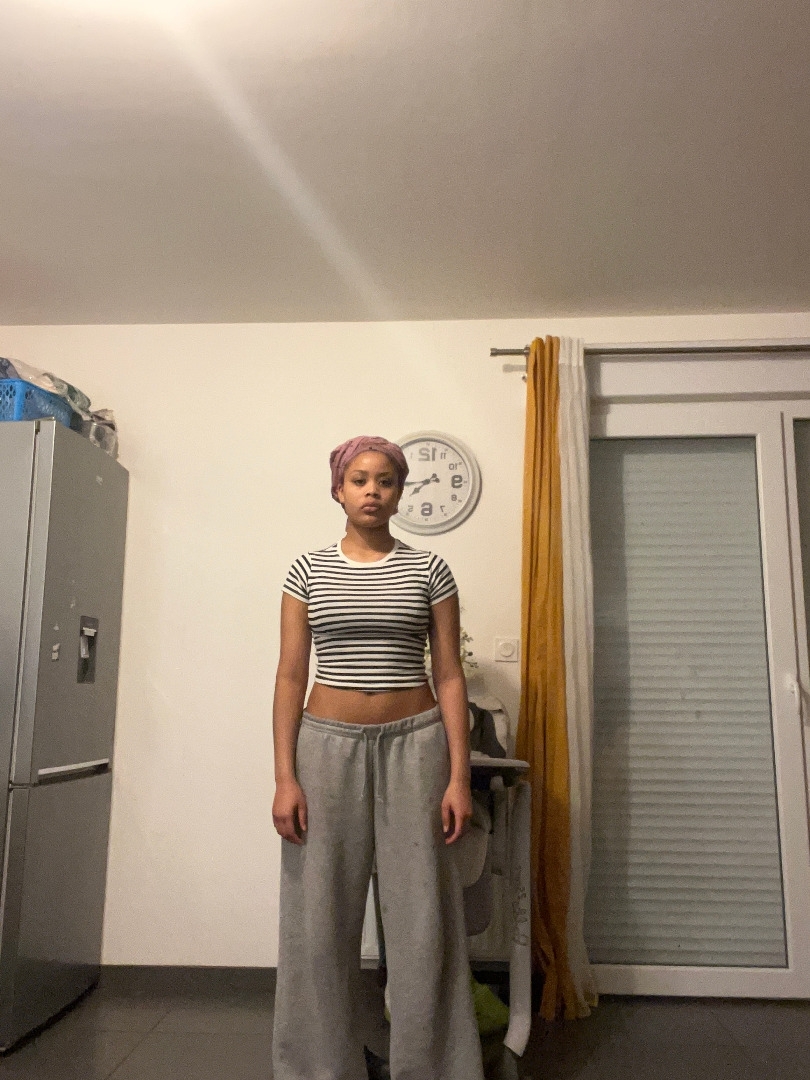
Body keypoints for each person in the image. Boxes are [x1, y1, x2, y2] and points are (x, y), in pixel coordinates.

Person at [271, 435, 486, 1080]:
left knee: (424, 919)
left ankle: (434, 1068)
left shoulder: (430, 570)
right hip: (325, 749)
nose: (372, 490)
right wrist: (285, 777)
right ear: (338, 490)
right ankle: (320, 1068)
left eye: (386, 480)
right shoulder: (306, 570)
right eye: (359, 479)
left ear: (399, 494)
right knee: (319, 920)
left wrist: (459, 776)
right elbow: (290, 675)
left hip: (415, 748)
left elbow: (449, 675)